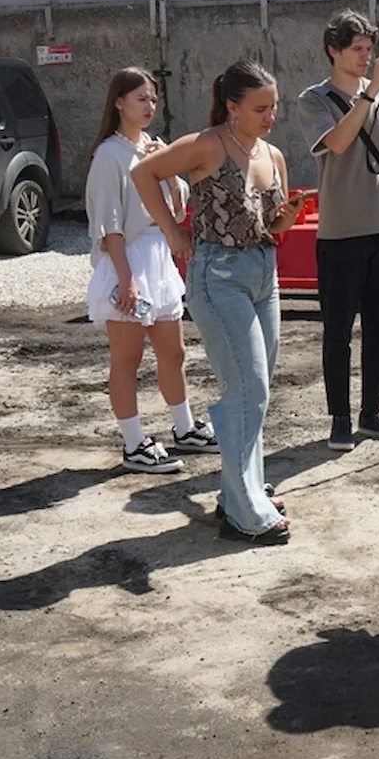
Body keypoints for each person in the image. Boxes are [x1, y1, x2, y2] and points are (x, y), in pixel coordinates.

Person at [133, 61, 305, 544]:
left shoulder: (272, 154)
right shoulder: (208, 144)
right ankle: (245, 508)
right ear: (232, 107)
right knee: (247, 388)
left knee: (256, 388)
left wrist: (288, 216)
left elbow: (271, 225)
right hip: (219, 276)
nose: (271, 116)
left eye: (274, 106)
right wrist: (172, 231)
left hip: (263, 275)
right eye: (260, 108)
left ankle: (238, 493)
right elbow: (144, 172)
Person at [82, 67, 218, 473]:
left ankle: (185, 428)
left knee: (173, 352)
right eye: (141, 98)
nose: (149, 106)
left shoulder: (153, 148)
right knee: (127, 358)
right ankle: (133, 443)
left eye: (154, 99)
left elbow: (176, 209)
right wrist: (126, 278)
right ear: (119, 102)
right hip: (129, 260)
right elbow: (109, 224)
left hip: (158, 259)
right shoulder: (109, 154)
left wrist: (168, 169)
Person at [294, 9, 379, 452]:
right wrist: (371, 93)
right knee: (338, 332)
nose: (366, 57)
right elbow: (339, 143)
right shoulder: (315, 99)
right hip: (340, 232)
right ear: (334, 50)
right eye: (357, 49)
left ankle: (372, 411)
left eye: (369, 48)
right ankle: (340, 418)